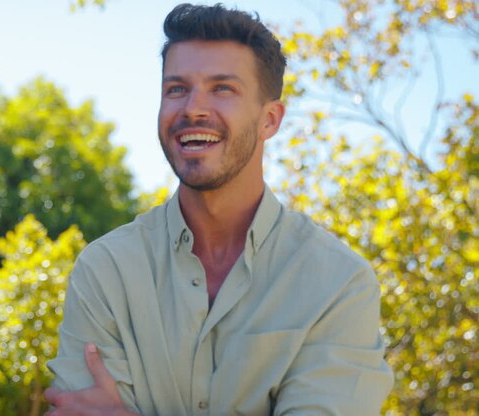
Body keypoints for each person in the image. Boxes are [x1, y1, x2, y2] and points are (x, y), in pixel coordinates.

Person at [44, 3, 394, 415]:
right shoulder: (105, 272)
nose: (193, 107)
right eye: (176, 89)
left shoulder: (337, 283)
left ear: (270, 120)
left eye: (222, 88)